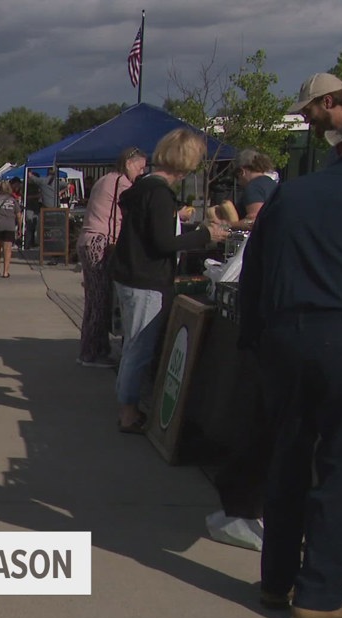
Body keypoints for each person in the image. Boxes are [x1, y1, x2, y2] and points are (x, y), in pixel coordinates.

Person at [238, 130, 342, 618]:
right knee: (341, 468)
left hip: (287, 337)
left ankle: (277, 579)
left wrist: (253, 340)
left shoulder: (292, 193)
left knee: (288, 456)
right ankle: (321, 592)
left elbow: (254, 271)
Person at [109, 129, 229, 433]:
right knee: (139, 348)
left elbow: (152, 233)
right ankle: (128, 411)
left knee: (132, 345)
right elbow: (163, 242)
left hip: (129, 274)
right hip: (147, 278)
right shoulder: (160, 194)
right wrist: (204, 235)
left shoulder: (143, 187)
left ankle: (126, 403)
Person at [76, 147, 147, 368]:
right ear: (129, 163)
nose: (141, 172)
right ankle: (93, 353)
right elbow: (132, 212)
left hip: (89, 240)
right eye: (140, 168)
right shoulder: (121, 183)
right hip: (101, 242)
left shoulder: (105, 180)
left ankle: (91, 349)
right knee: (100, 300)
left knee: (94, 298)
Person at [224, 149, 277, 231]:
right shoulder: (273, 184)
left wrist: (227, 225)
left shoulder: (253, 187)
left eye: (236, 176)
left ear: (241, 171)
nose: (238, 182)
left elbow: (253, 222)